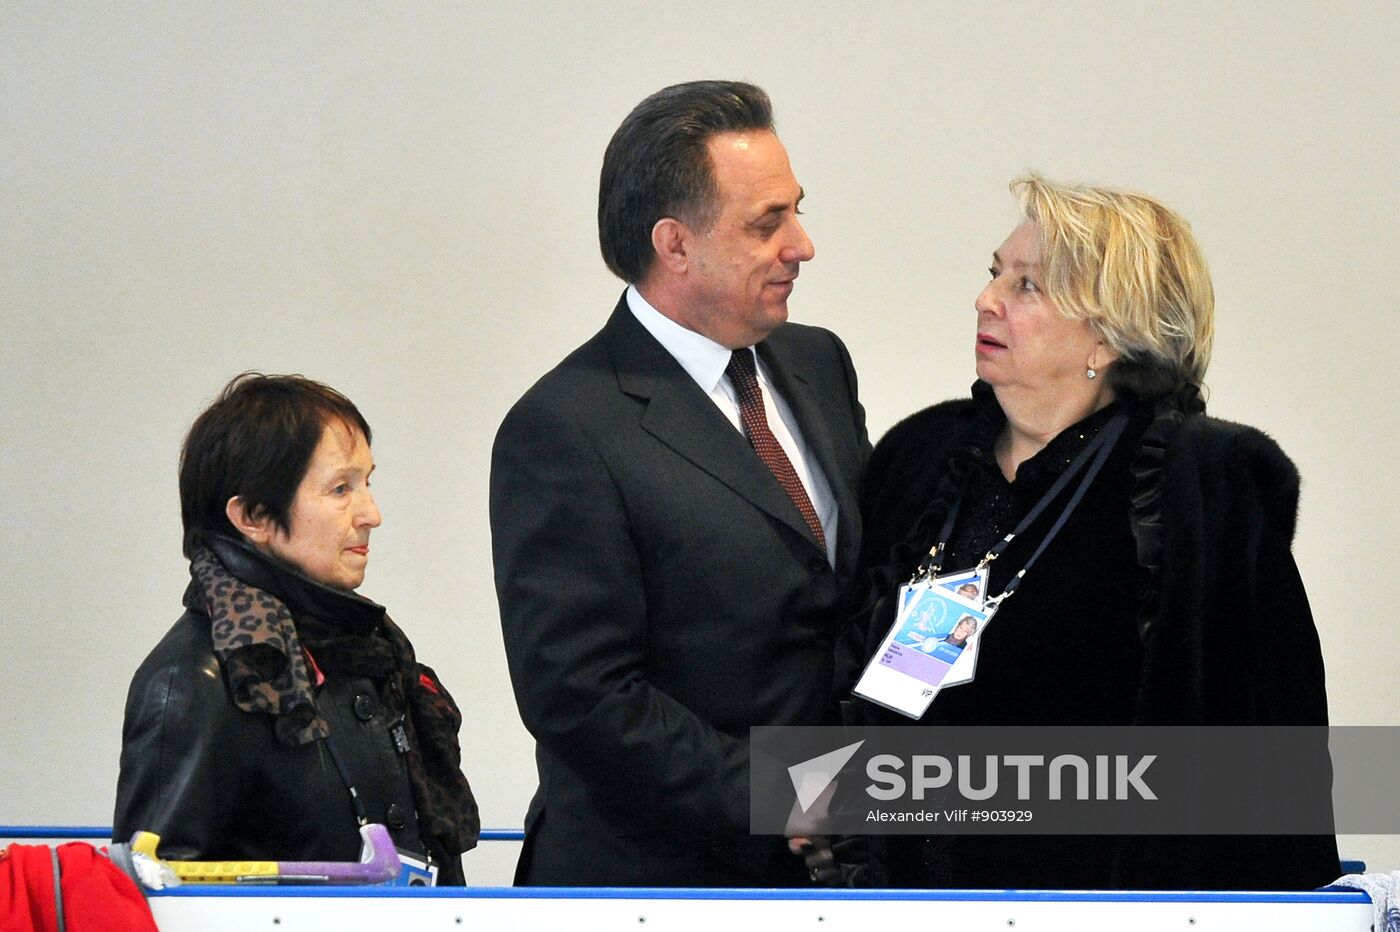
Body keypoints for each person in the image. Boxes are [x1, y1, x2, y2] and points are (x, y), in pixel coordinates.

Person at [829, 174, 1338, 890]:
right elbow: (850, 690)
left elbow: (1273, 744)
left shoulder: (1197, 482)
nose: (987, 299)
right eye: (994, 273)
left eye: (1028, 286)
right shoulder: (924, 458)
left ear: (1110, 330)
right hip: (911, 897)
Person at [489, 80, 870, 887]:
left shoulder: (819, 364)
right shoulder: (565, 428)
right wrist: (786, 798)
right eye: (768, 223)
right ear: (675, 245)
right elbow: (582, 697)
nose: (802, 244)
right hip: (655, 882)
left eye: (797, 209)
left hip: (827, 877)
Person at [114, 373, 478, 884]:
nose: (371, 514)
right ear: (254, 516)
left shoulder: (369, 647)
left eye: (367, 483)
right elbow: (160, 897)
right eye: (339, 490)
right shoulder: (196, 680)